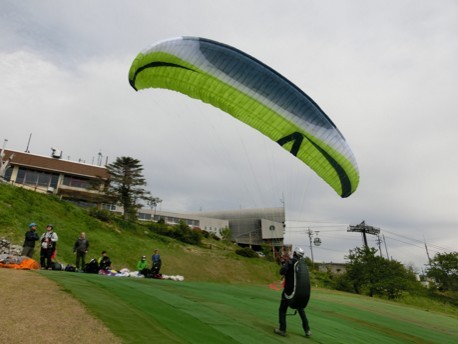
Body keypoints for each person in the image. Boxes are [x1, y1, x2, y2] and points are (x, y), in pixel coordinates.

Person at [274, 247, 311, 338]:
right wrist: (284, 262)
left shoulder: (290, 262)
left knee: (282, 310)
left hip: (289, 292)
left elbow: (282, 271)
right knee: (300, 309)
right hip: (299, 292)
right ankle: (307, 330)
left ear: (294, 253)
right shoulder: (302, 264)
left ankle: (282, 329)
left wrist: (284, 263)